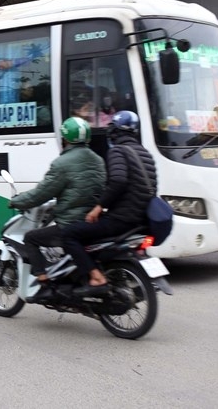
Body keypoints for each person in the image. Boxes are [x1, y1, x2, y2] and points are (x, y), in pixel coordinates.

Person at [62, 110, 155, 294]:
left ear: (115, 131)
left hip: (121, 220)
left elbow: (118, 182)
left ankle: (96, 277)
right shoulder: (145, 153)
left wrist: (98, 207)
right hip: (141, 220)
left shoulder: (118, 151)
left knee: (69, 235)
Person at [8, 117, 105, 294]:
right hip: (93, 223)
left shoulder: (62, 163)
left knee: (31, 238)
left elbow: (41, 194)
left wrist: (17, 201)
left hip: (71, 223)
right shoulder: (98, 160)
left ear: (65, 139)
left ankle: (44, 282)